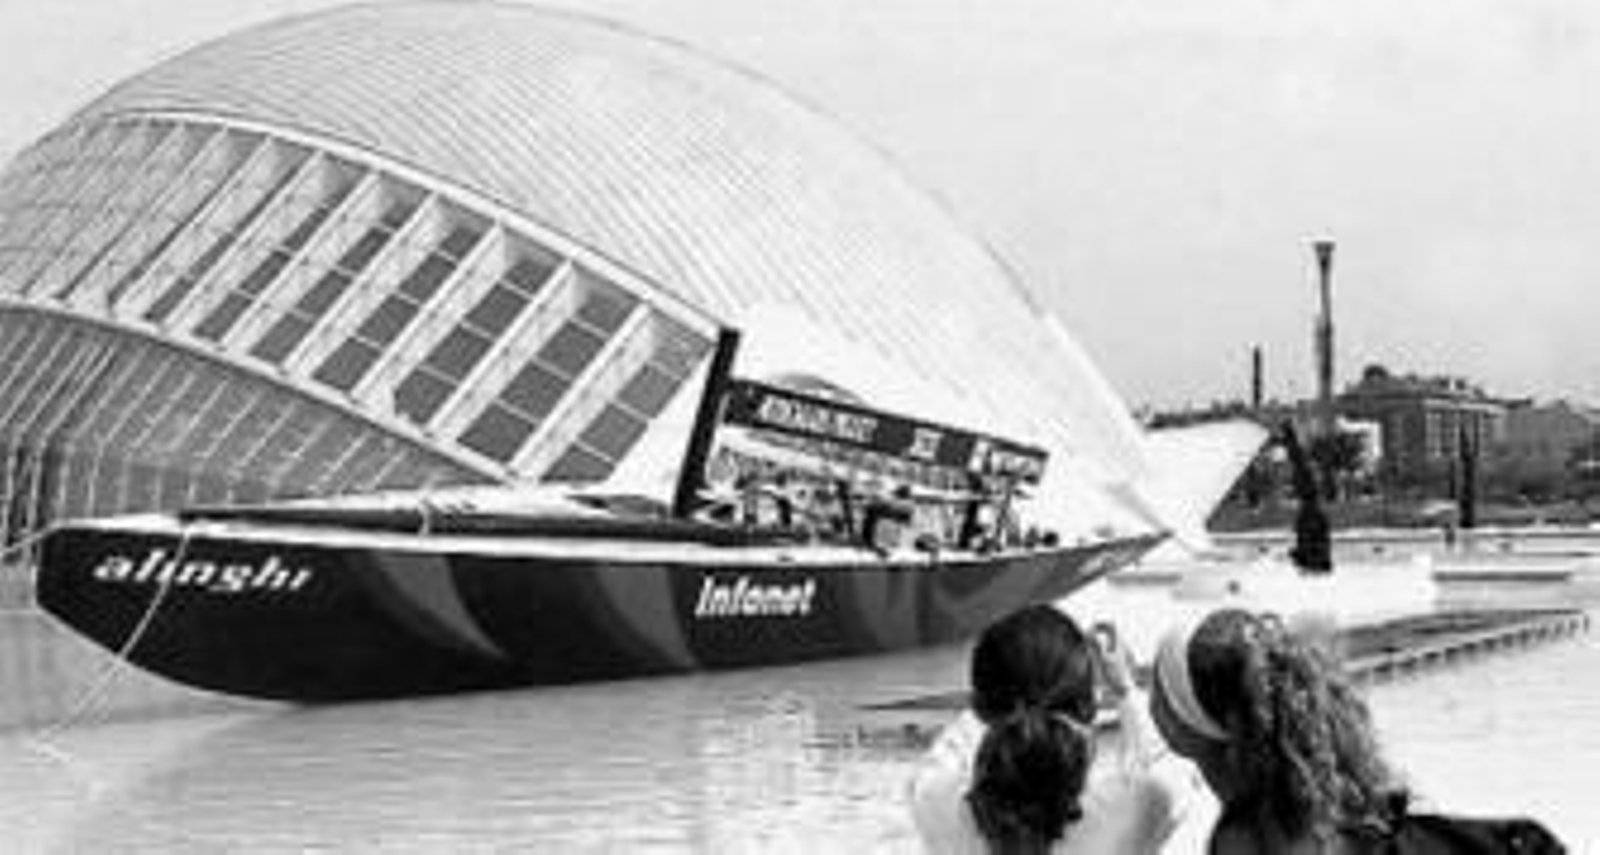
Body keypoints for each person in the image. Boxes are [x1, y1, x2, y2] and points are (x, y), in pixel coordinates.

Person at [910, 604, 1210, 854]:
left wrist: (996, 695)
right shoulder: (1137, 806)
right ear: (1088, 708)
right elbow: (1168, 763)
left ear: (983, 707)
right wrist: (1124, 688)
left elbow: (952, 747)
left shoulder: (936, 804)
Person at [1149, 608, 1401, 854]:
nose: (1149, 697)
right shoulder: (1329, 794)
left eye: (1158, 688)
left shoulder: (1247, 840)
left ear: (1185, 727)